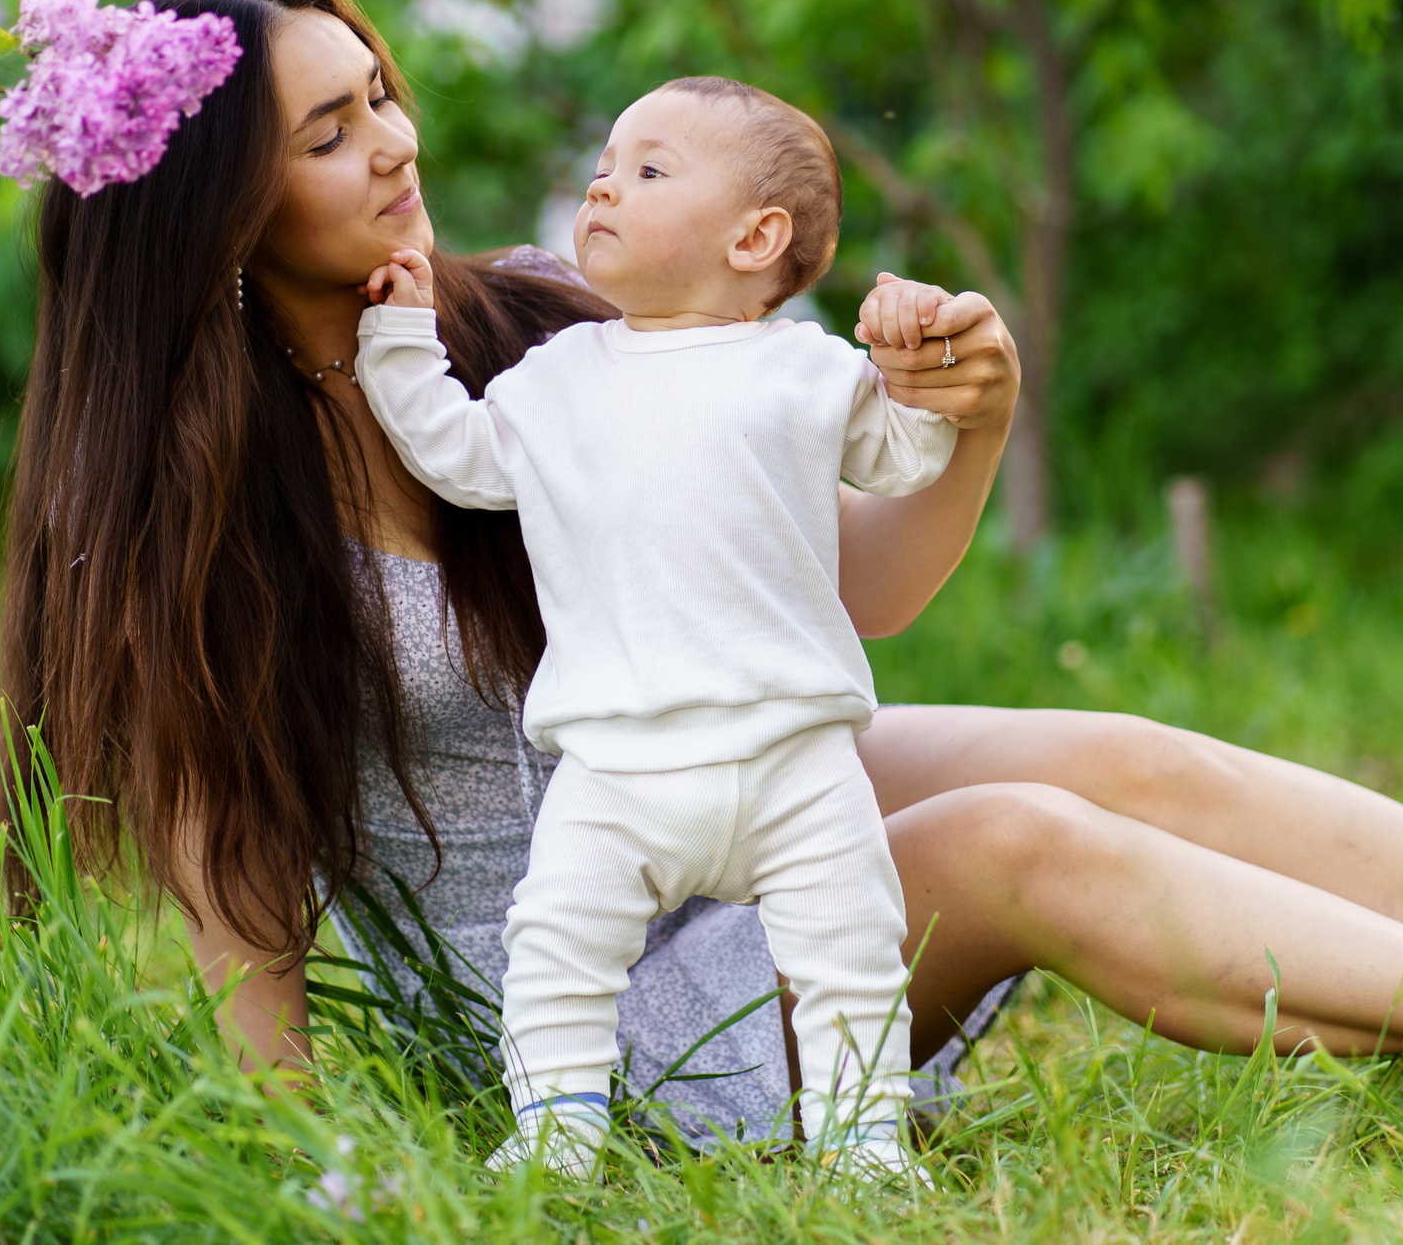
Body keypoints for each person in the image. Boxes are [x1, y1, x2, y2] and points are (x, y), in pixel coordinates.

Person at [0, 0, 1403, 1161]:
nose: (399, 142)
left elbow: (846, 597)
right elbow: (245, 905)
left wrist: (968, 420)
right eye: (334, 131)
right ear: (214, 211)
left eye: (383, 86)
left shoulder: (529, 335)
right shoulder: (176, 524)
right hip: (590, 1004)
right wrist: (319, 1168)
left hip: (703, 812)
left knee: (1103, 752)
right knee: (1019, 841)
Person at [352, 78, 959, 1175]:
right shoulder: (558, 379)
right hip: (619, 757)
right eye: (603, 163)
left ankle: (863, 1136)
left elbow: (907, 456)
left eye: (648, 169)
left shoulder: (806, 371)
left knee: (851, 952)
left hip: (794, 750)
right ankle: (556, 1134)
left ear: (754, 236)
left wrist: (921, 361)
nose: (602, 185)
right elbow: (455, 453)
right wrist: (399, 336)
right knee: (557, 946)